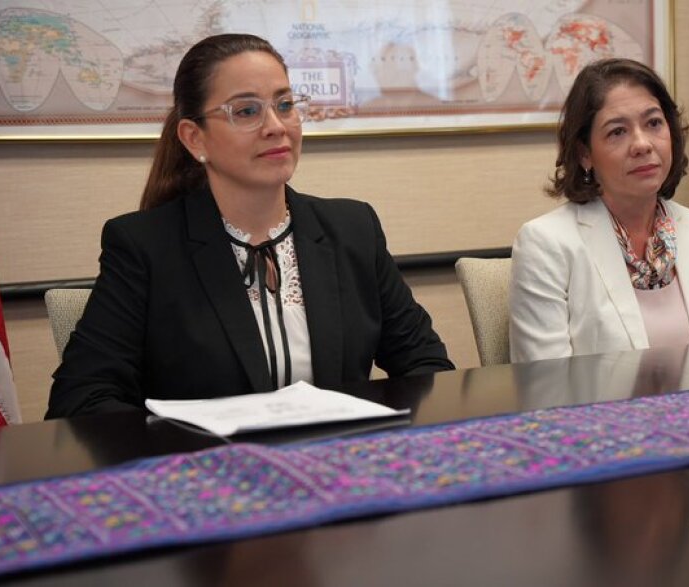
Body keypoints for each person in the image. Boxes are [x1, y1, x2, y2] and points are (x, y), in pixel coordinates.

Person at [46, 33, 453, 418]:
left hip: (338, 472)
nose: (276, 126)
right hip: (208, 478)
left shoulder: (352, 228)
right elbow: (81, 398)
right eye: (246, 111)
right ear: (194, 138)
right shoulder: (143, 246)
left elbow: (426, 367)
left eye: (286, 105)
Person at [509, 58, 689, 362]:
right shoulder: (546, 244)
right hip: (594, 411)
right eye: (618, 131)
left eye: (654, 123)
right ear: (584, 153)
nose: (642, 144)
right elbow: (547, 389)